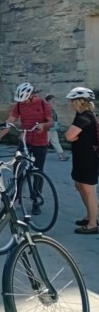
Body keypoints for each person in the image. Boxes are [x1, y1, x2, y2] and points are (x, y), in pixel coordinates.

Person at [0, 82, 54, 215]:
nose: (24, 102)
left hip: (40, 143)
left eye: (25, 99)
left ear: (31, 95)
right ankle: (17, 194)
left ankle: (36, 200)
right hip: (25, 141)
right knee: (17, 168)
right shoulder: (19, 105)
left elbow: (51, 121)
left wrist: (43, 125)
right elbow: (10, 121)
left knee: (38, 172)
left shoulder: (43, 104)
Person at [65, 87, 98, 234]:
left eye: (72, 100)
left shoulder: (85, 117)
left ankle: (93, 224)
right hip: (81, 157)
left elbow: (69, 136)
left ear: (80, 101)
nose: (70, 103)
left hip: (88, 158)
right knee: (80, 185)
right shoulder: (82, 115)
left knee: (88, 189)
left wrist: (73, 137)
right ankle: (91, 216)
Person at [45, 94, 68, 161]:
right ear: (48, 101)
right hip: (47, 129)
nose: (54, 102)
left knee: (56, 142)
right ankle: (37, 156)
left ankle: (61, 156)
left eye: (54, 100)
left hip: (52, 129)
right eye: (52, 100)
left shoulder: (51, 109)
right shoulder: (46, 108)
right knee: (44, 143)